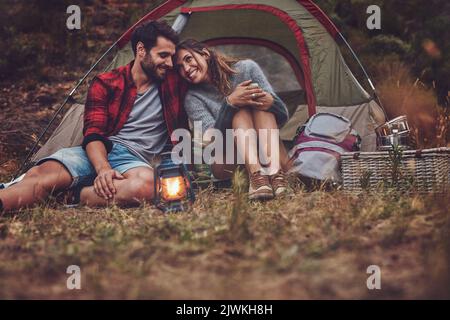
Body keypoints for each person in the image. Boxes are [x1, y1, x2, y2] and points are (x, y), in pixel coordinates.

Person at [0, 20, 188, 214]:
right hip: (97, 152)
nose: (170, 63)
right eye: (163, 55)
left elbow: (205, 69)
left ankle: (72, 196)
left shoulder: (174, 80)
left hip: (133, 160)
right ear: (141, 50)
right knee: (40, 176)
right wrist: (103, 168)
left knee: (150, 186)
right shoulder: (106, 82)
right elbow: (94, 132)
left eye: (172, 57)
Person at [175, 39, 291, 201]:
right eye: (179, 67)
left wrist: (272, 102)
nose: (186, 69)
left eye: (188, 59)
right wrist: (229, 104)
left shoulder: (247, 68)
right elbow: (212, 142)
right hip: (227, 159)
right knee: (239, 110)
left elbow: (282, 115)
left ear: (205, 54)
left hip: (266, 149)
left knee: (261, 105)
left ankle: (275, 176)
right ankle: (257, 178)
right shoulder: (193, 98)